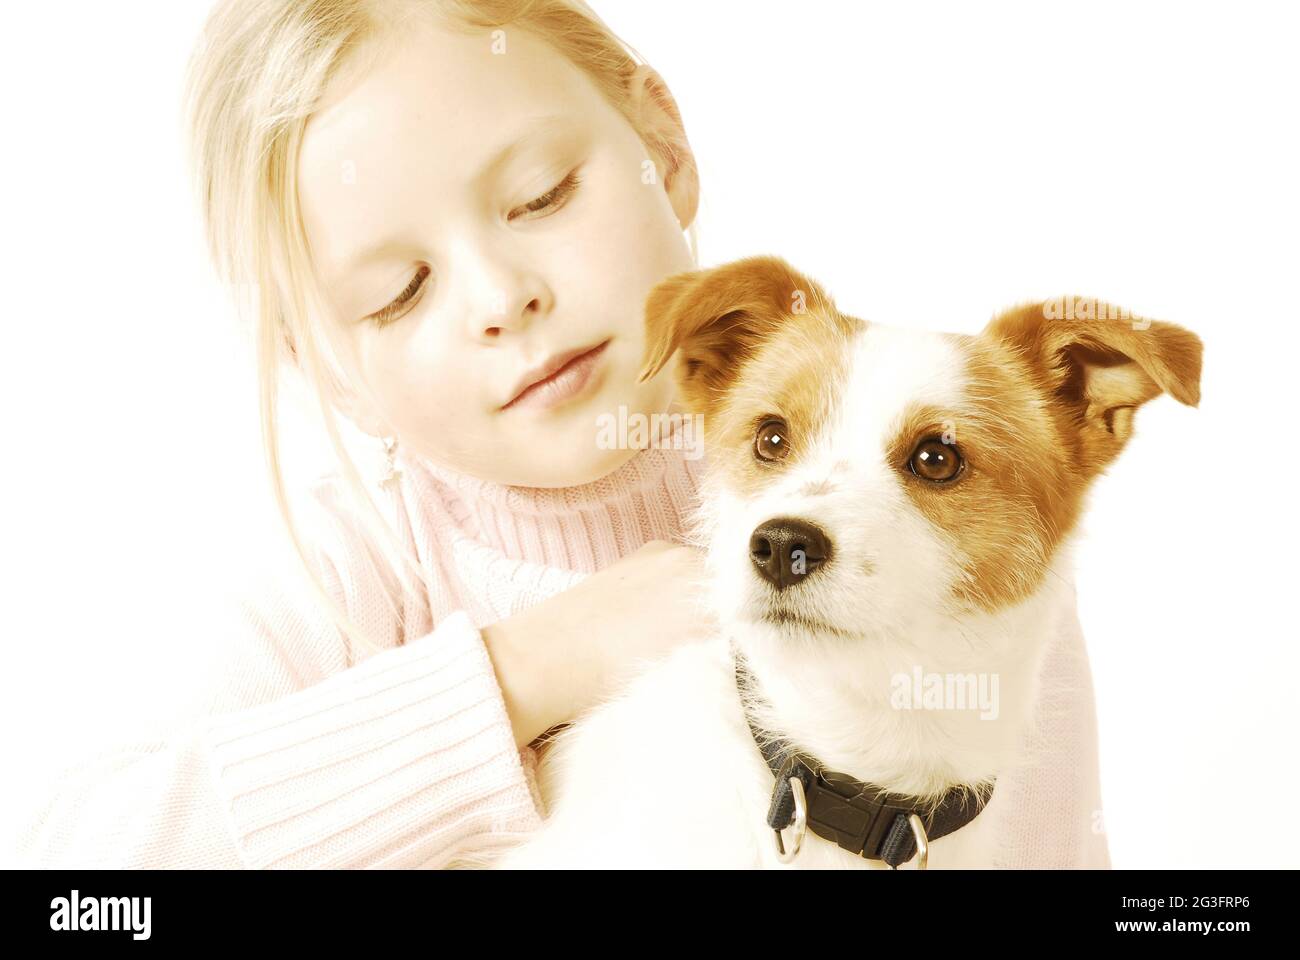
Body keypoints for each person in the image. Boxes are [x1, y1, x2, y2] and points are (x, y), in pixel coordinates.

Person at [13, 0, 1109, 869]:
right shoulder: (345, 569)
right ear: (326, 369)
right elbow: (79, 878)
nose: (501, 295)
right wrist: (525, 669)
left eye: (540, 197)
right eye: (398, 292)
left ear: (661, 145)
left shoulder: (922, 531)